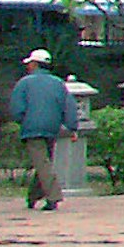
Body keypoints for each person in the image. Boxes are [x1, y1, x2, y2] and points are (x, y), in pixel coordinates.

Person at [9, 49, 75, 212]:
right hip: (52, 128)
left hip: (33, 128)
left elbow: (17, 108)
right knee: (43, 162)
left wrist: (23, 121)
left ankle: (53, 198)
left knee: (42, 163)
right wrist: (71, 127)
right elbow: (69, 107)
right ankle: (32, 197)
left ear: (34, 64)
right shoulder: (58, 83)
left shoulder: (24, 83)